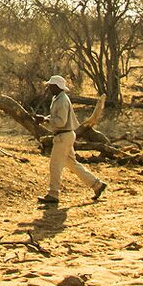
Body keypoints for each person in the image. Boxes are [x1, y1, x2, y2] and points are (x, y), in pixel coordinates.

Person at [38, 74, 107, 206]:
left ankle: (53, 194)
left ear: (57, 86)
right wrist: (45, 118)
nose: (49, 88)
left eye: (51, 86)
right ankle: (97, 185)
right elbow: (59, 118)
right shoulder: (59, 98)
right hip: (66, 135)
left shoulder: (62, 100)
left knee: (55, 165)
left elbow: (61, 121)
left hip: (63, 135)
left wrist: (46, 120)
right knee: (72, 164)